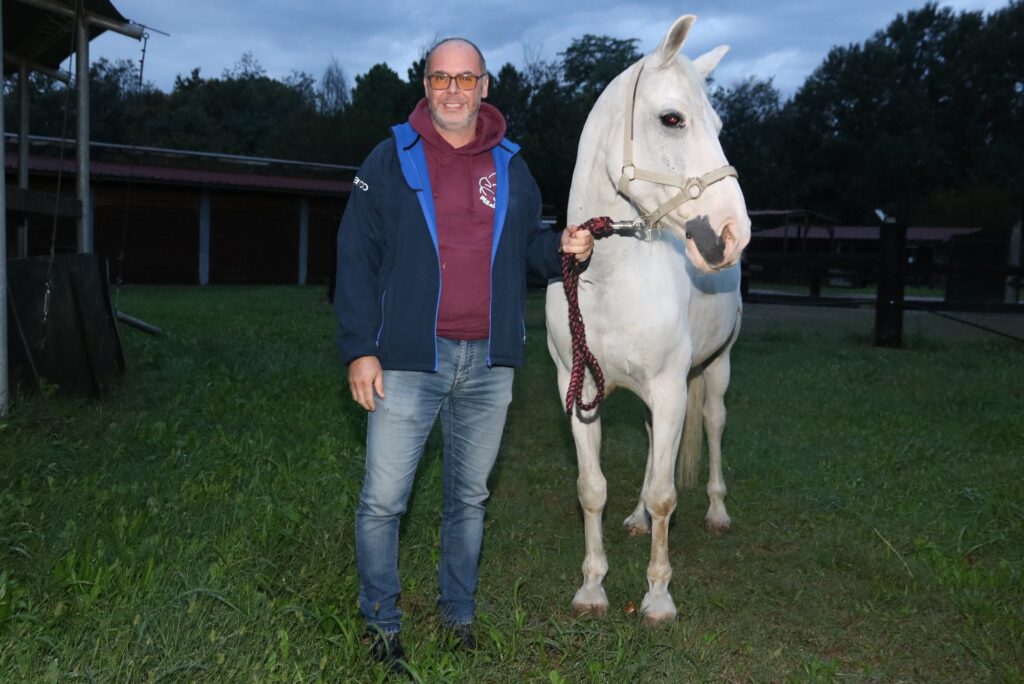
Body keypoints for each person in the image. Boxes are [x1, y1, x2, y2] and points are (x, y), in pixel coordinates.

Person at [333, 37, 593, 671]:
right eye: (440, 78)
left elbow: (527, 251)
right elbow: (355, 258)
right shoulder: (390, 158)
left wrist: (562, 248)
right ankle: (381, 622)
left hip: (488, 362)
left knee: (468, 500)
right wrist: (359, 350)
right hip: (405, 360)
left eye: (465, 79)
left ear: (485, 86)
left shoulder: (512, 165)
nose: (453, 90)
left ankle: (458, 614)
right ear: (425, 86)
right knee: (384, 501)